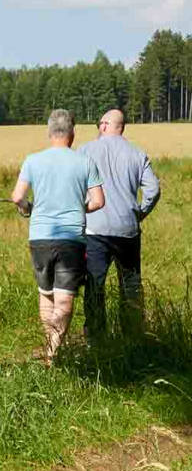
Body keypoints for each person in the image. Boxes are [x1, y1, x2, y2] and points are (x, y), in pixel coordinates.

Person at [10, 109, 104, 361]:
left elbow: (17, 197)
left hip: (39, 238)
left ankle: (50, 348)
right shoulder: (85, 162)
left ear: (49, 133)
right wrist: (78, 206)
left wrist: (27, 208)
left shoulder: (32, 160)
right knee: (65, 300)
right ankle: (54, 351)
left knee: (46, 294)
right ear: (72, 134)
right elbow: (98, 201)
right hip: (71, 239)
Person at [79, 108, 160, 337]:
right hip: (128, 230)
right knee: (131, 286)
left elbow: (73, 186)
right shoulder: (137, 153)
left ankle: (96, 336)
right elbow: (153, 190)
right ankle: (132, 334)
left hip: (95, 229)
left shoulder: (85, 151)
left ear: (104, 125)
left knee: (95, 284)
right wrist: (139, 213)